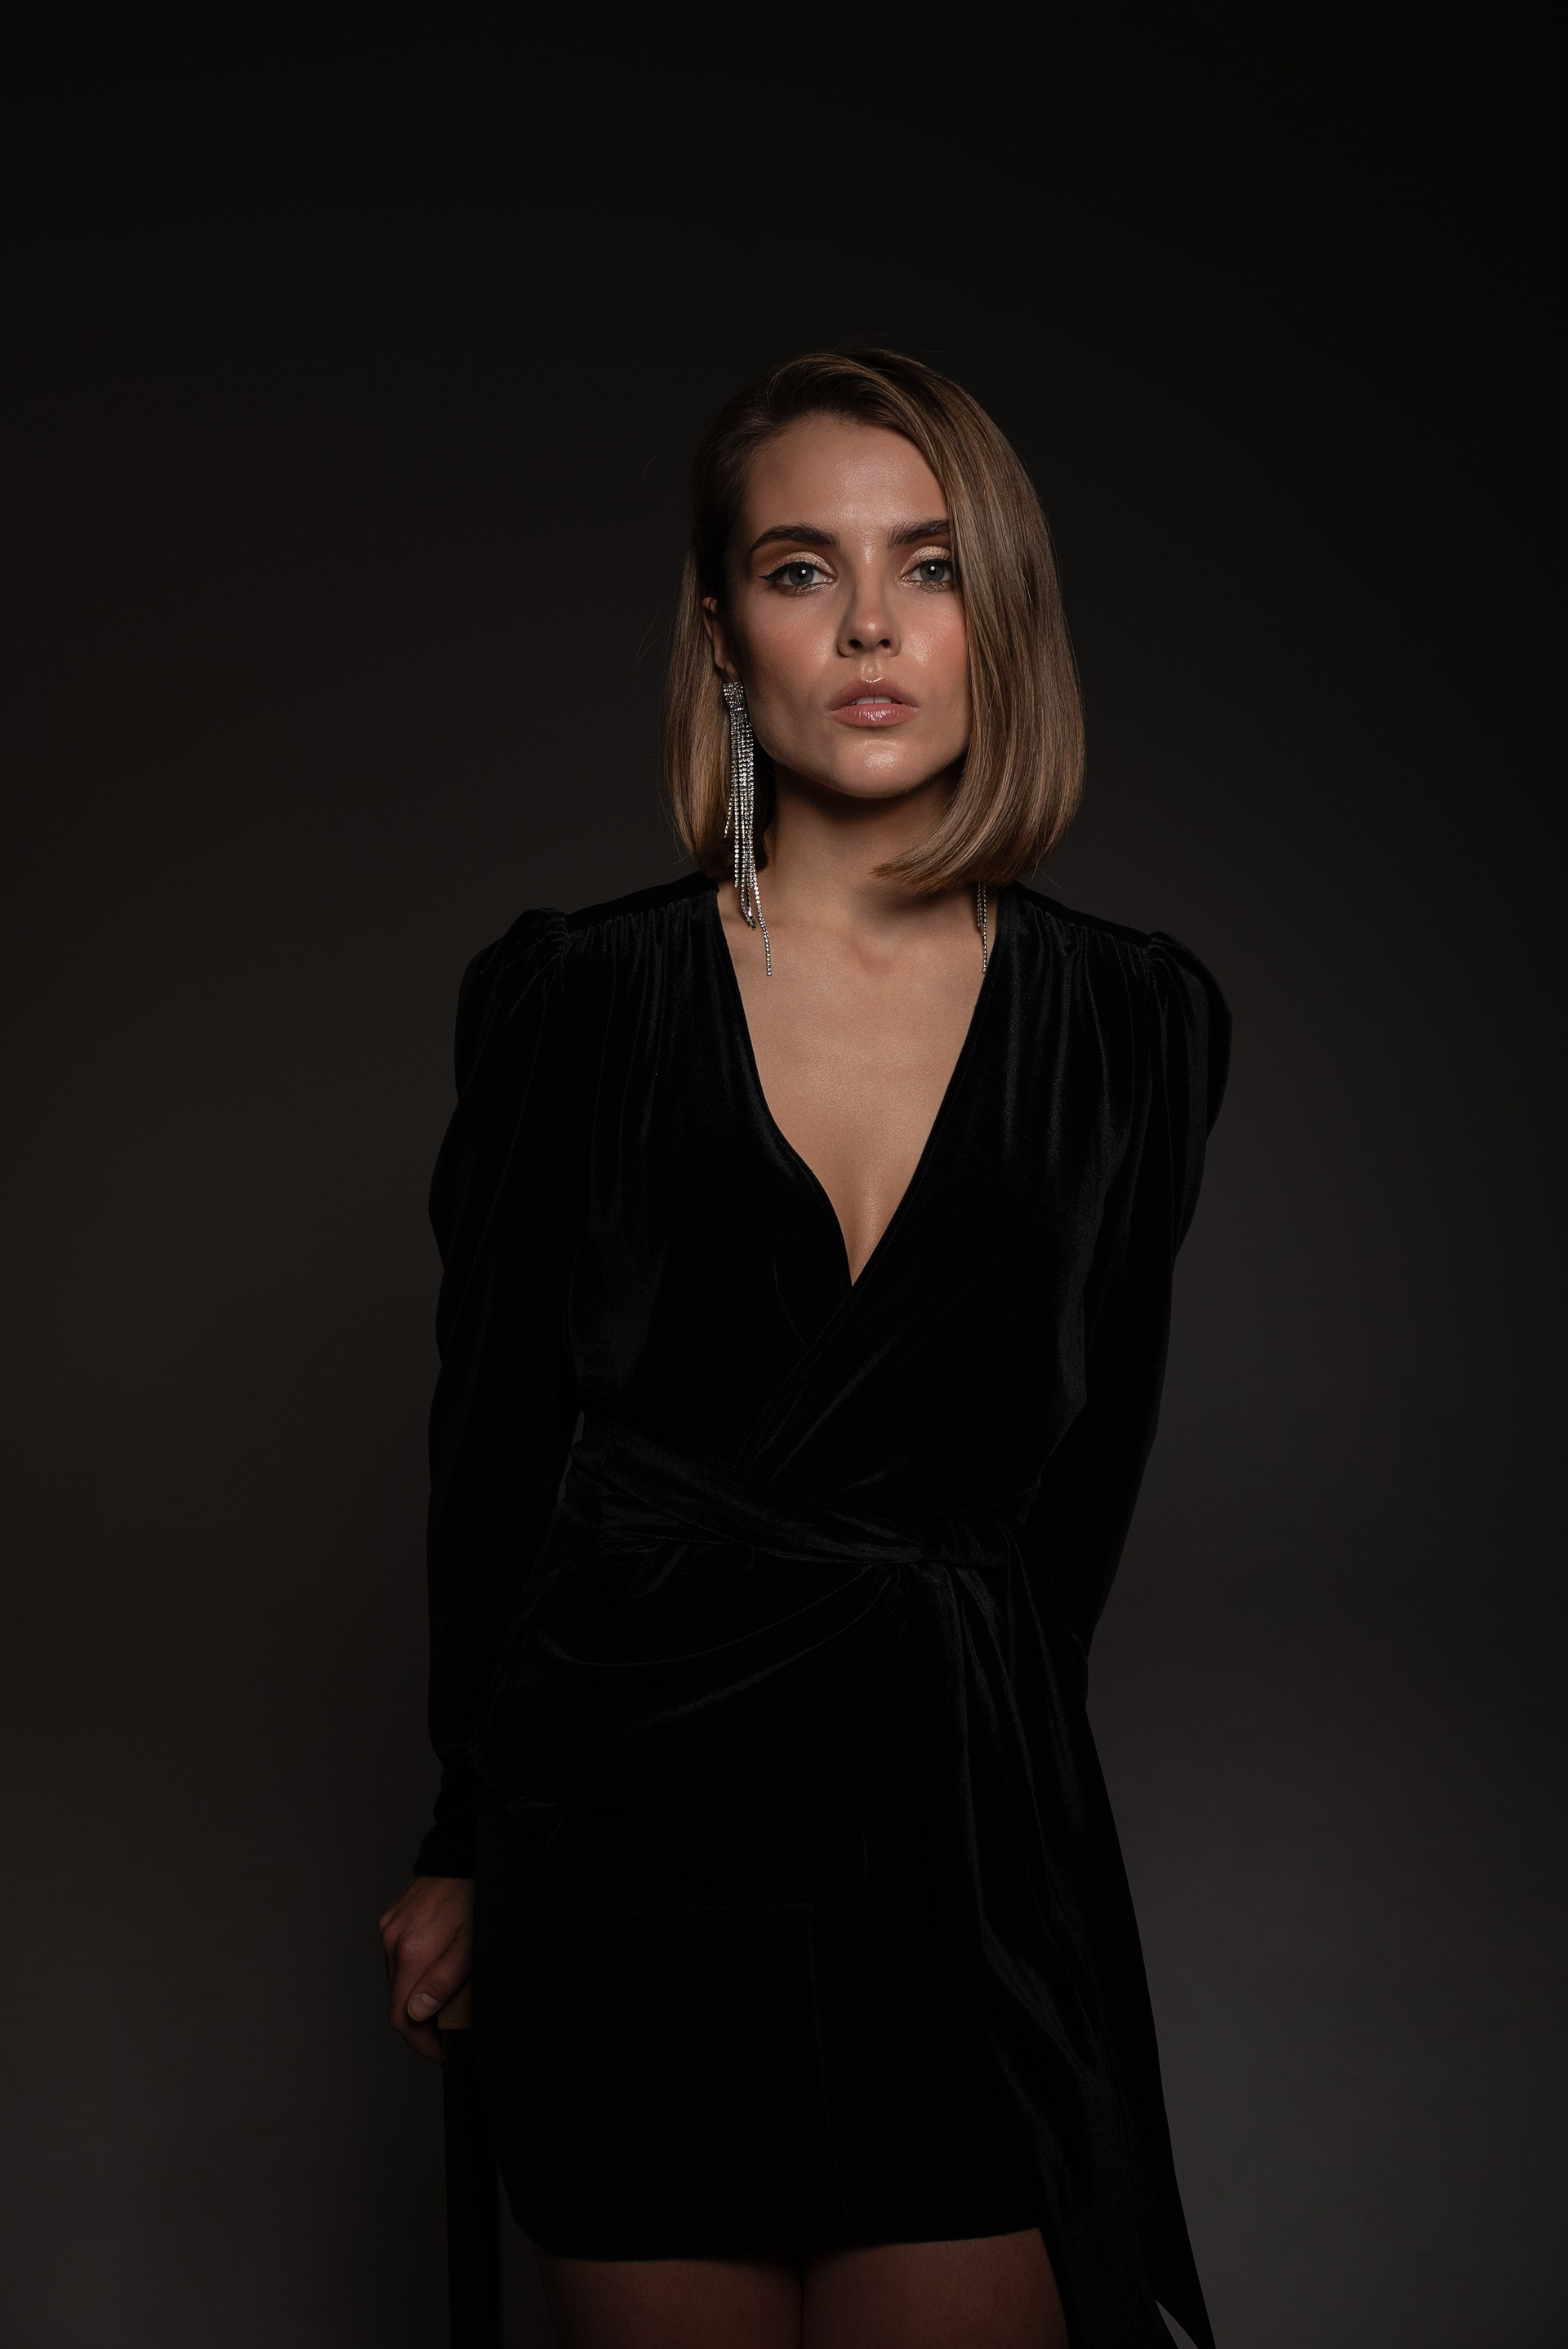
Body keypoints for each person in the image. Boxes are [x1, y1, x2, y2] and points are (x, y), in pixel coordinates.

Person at [379, 349, 1228, 2349]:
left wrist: (1021, 1850)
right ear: (718, 630)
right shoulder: (578, 1001)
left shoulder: (1135, 1030)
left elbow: (1069, 1526)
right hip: (622, 1855)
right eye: (799, 568)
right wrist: (460, 1836)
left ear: (998, 616)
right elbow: (488, 1451)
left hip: (956, 1859)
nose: (867, 626)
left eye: (928, 566)